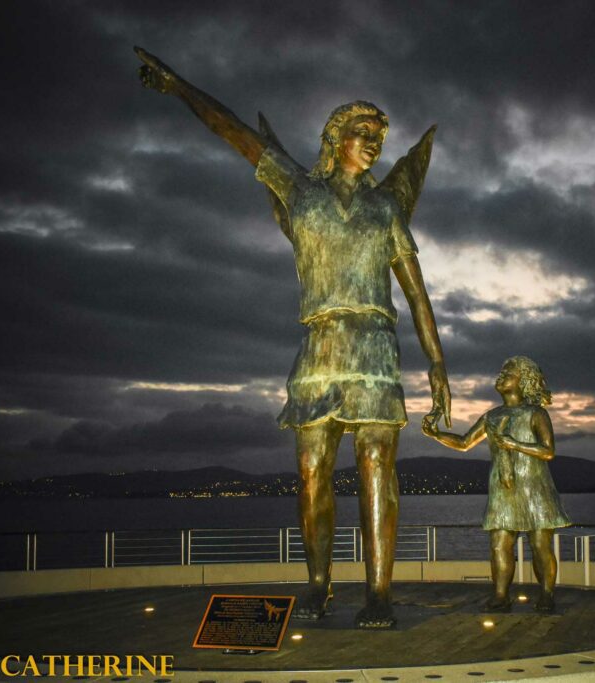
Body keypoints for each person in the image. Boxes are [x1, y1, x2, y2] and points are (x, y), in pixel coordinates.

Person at [135, 47, 451, 628]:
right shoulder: (300, 192)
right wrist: (178, 86)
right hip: (320, 346)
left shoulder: (385, 209)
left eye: (380, 134)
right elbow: (233, 132)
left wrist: (436, 362)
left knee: (379, 460)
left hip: (376, 346)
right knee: (311, 471)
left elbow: (416, 290)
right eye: (363, 130)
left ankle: (378, 593)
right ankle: (319, 584)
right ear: (336, 137)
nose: (375, 141)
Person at [423, 356, 570, 613]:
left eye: (508, 373)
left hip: (535, 488)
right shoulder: (492, 416)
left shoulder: (536, 413)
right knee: (499, 544)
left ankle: (546, 593)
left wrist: (514, 444)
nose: (501, 376)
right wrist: (436, 434)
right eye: (501, 372)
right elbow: (465, 442)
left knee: (540, 545)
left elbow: (548, 451)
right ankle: (500, 595)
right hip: (503, 488)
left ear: (524, 381)